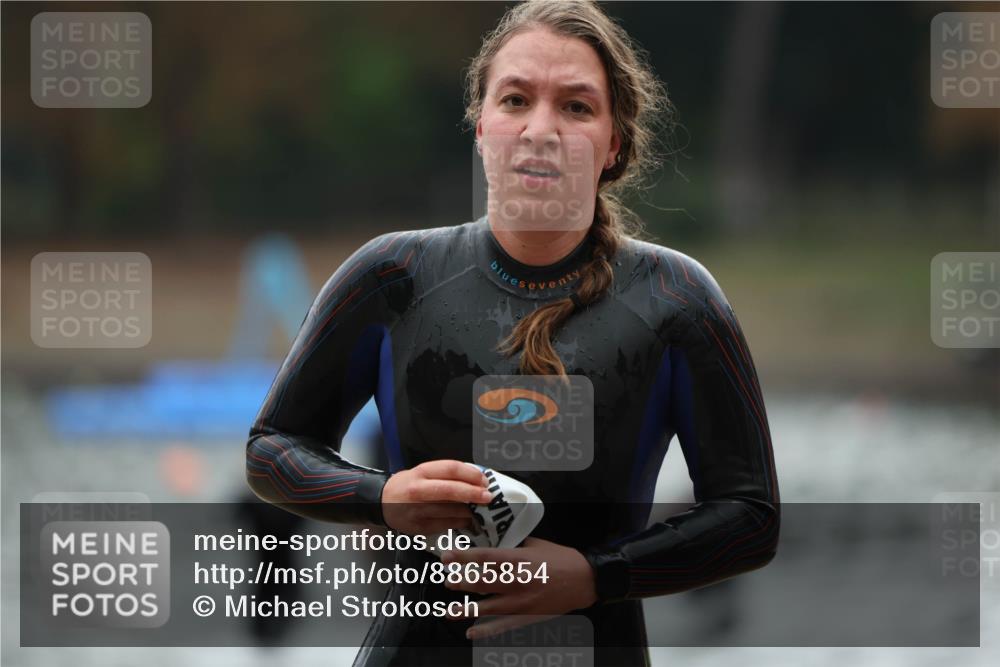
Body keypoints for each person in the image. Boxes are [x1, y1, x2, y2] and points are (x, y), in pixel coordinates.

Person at [245, 1, 779, 664]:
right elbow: (271, 451)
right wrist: (381, 497)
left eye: (577, 107)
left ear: (615, 143)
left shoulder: (676, 300)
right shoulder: (391, 276)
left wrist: (593, 575)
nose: (541, 129)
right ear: (480, 125)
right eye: (516, 99)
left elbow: (752, 517)